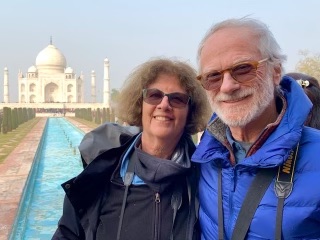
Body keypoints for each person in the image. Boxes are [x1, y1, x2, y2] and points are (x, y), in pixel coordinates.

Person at [52, 58, 211, 240]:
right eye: (154, 95)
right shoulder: (100, 177)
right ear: (139, 105)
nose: (164, 105)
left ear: (190, 111)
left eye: (177, 99)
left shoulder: (205, 181)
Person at [192, 17, 320, 239]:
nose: (228, 86)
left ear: (276, 72)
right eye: (213, 76)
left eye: (243, 68)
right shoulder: (203, 158)